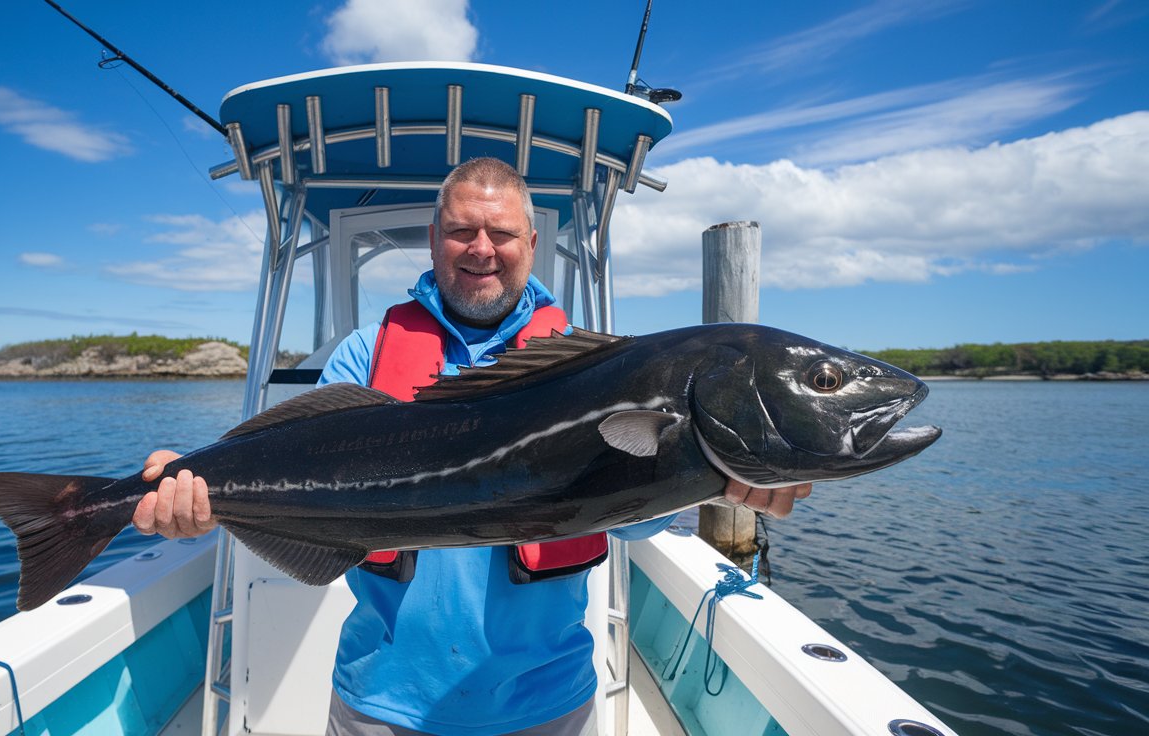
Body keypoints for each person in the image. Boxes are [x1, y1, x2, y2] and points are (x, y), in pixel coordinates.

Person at [133, 158, 811, 735]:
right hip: (380, 703)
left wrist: (716, 481)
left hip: (546, 706)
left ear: (532, 241)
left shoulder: (595, 368)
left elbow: (637, 520)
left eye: (501, 233)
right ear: (434, 240)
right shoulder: (363, 356)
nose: (481, 248)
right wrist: (196, 485)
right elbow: (293, 459)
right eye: (461, 230)